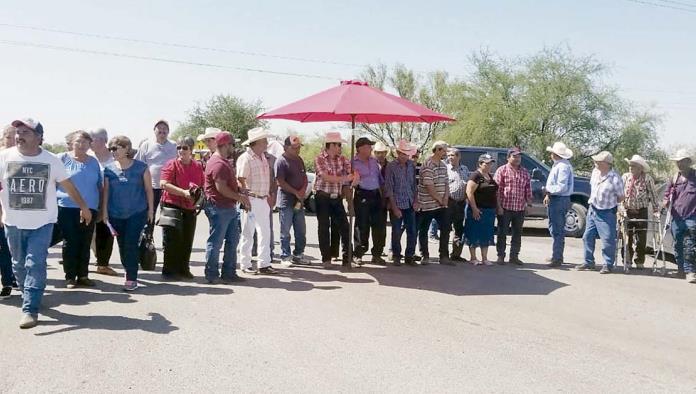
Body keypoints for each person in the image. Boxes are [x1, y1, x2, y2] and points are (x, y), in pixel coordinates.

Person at [0, 118, 92, 329]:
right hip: (13, 222)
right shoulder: (4, 157)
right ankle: (29, 293)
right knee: (19, 264)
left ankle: (30, 309)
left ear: (39, 137)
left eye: (26, 132)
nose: (19, 136)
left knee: (35, 263)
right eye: (18, 132)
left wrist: (84, 208)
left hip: (43, 222)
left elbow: (68, 186)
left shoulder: (51, 160)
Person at [102, 136, 154, 291]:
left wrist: (150, 210)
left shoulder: (141, 167)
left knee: (130, 243)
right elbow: (106, 193)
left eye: (116, 148)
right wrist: (104, 212)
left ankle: (131, 277)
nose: (113, 151)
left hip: (137, 213)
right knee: (122, 245)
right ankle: (128, 269)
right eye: (110, 149)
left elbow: (148, 190)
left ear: (126, 149)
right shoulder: (109, 169)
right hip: (115, 213)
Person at [56, 131, 102, 288]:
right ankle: (70, 277)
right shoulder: (61, 159)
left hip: (91, 209)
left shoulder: (94, 162)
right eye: (78, 142)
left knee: (85, 241)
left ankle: (83, 275)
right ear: (71, 143)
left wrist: (101, 208)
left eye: (85, 142)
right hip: (67, 207)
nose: (82, 145)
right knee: (70, 241)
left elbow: (99, 186)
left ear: (90, 144)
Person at [203, 132, 249, 283]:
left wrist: (239, 190)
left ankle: (229, 272)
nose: (233, 148)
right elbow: (221, 188)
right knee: (216, 242)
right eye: (232, 145)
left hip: (226, 206)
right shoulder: (218, 163)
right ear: (226, 145)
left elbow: (225, 186)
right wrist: (240, 197)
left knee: (232, 240)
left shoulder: (222, 161)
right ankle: (212, 274)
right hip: (219, 207)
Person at [159, 136, 204, 280]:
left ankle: (184, 268)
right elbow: (164, 184)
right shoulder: (171, 164)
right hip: (172, 205)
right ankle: (169, 270)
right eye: (178, 147)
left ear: (191, 150)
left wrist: (198, 197)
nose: (181, 150)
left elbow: (201, 185)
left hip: (190, 207)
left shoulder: (197, 166)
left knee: (187, 239)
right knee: (172, 240)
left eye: (184, 148)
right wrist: (183, 192)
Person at [236, 127, 278, 275]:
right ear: (256, 143)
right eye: (264, 141)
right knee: (248, 232)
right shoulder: (245, 158)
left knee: (265, 232)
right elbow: (241, 180)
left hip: (263, 199)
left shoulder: (263, 157)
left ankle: (264, 263)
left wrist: (270, 195)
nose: (266, 143)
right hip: (252, 199)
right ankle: (245, 263)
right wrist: (245, 198)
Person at [314, 131, 357, 269]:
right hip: (323, 196)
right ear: (331, 145)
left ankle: (347, 258)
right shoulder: (319, 159)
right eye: (338, 144)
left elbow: (353, 174)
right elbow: (325, 177)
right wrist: (346, 178)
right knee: (324, 227)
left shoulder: (343, 159)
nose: (340, 147)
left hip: (336, 197)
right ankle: (326, 258)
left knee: (344, 226)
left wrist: (355, 176)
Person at [577, 151, 625, 274]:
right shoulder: (595, 173)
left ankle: (608, 264)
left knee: (607, 239)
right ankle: (588, 262)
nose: (596, 163)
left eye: (599, 161)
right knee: (587, 236)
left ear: (607, 164)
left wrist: (612, 204)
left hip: (607, 211)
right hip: (593, 208)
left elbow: (621, 196)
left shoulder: (615, 178)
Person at [134, 119, 177, 233]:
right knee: (149, 213)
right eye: (160, 128)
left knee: (168, 216)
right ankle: (147, 239)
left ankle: (167, 242)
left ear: (168, 131)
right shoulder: (146, 145)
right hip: (150, 187)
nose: (162, 131)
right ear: (154, 130)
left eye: (165, 129)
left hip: (168, 186)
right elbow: (138, 165)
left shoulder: (173, 145)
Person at [351, 137, 387, 265]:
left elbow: (380, 180)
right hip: (362, 194)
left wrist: (383, 197)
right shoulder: (353, 163)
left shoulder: (373, 162)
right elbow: (350, 182)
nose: (371, 149)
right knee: (361, 226)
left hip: (376, 194)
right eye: (368, 146)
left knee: (379, 226)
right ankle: (358, 254)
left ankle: (377, 254)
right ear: (360, 148)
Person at [494, 147, 532, 265]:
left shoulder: (525, 172)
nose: (517, 159)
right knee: (502, 233)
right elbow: (497, 190)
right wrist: (498, 206)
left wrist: (528, 204)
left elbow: (528, 189)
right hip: (505, 207)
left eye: (519, 156)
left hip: (520, 208)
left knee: (517, 234)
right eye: (514, 156)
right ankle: (501, 256)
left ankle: (514, 256)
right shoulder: (502, 170)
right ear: (508, 157)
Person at [620, 155, 659, 270]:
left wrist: (656, 209)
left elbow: (653, 195)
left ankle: (639, 260)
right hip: (627, 211)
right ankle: (627, 260)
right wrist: (620, 208)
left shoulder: (647, 179)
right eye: (630, 165)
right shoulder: (625, 177)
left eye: (634, 166)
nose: (631, 168)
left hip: (641, 211)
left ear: (640, 168)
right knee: (626, 237)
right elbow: (620, 194)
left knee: (641, 238)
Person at [417, 140, 452, 265]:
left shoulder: (443, 165)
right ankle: (424, 255)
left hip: (441, 204)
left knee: (446, 228)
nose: (445, 153)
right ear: (437, 150)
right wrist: (440, 199)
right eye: (444, 150)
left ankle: (444, 256)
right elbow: (429, 186)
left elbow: (446, 183)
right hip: (427, 204)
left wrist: (446, 197)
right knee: (424, 229)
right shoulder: (428, 164)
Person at [88, 128, 118, 276]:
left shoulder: (115, 158)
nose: (89, 142)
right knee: (87, 233)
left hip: (111, 201)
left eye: (92, 139)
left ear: (103, 140)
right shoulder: (88, 157)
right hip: (91, 200)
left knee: (105, 231)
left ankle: (103, 264)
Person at [663, 149, 696, 282]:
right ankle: (681, 270)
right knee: (678, 244)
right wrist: (665, 201)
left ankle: (690, 272)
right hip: (676, 217)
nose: (679, 164)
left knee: (690, 244)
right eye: (678, 162)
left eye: (682, 161)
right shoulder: (674, 178)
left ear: (688, 162)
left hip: (692, 217)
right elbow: (666, 195)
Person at [384, 140, 418, 266]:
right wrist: (394, 207)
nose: (405, 156)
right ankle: (396, 255)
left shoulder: (411, 165)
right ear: (398, 153)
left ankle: (409, 255)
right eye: (403, 153)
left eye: (407, 154)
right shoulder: (391, 166)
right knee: (397, 231)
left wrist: (415, 200)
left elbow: (414, 185)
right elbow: (389, 188)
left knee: (412, 230)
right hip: (397, 202)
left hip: (410, 202)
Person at [275, 135, 308, 264]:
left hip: (299, 201)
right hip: (286, 200)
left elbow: (304, 177)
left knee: (301, 231)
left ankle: (298, 254)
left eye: (299, 147)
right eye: (295, 147)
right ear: (286, 147)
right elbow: (280, 182)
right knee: (285, 231)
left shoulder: (299, 160)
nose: (298, 150)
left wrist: (302, 190)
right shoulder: (281, 161)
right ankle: (285, 256)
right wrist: (295, 191)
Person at [544, 142, 575, 267]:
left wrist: (548, 190)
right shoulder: (560, 165)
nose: (551, 155)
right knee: (555, 227)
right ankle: (556, 255)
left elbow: (561, 186)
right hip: (557, 198)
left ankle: (557, 257)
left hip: (559, 199)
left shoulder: (562, 167)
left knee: (557, 229)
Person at [464, 154, 499, 265]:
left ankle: (485, 258)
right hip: (478, 209)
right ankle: (473, 257)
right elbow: (469, 192)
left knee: (486, 234)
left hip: (489, 210)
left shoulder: (489, 176)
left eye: (490, 163)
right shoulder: (475, 176)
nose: (489, 165)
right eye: (487, 163)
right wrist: (474, 208)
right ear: (480, 164)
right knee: (474, 232)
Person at [0, 124, 17, 299]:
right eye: (9, 136)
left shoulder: (23, 158)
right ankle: (7, 280)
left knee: (8, 249)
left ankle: (8, 280)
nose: (13, 140)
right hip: (2, 211)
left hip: (15, 211)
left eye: (16, 136)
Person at [446, 148, 470, 262]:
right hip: (449, 202)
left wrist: (466, 198)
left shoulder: (465, 169)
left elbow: (468, 184)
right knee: (446, 229)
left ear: (459, 157)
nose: (450, 157)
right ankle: (444, 255)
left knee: (459, 230)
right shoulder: (445, 169)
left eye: (453, 155)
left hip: (461, 203)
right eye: (449, 155)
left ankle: (456, 254)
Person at [373, 141, 390, 257]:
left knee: (381, 228)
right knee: (367, 226)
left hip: (384, 199)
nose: (380, 155)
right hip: (372, 197)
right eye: (378, 153)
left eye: (382, 152)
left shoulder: (390, 166)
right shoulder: (371, 164)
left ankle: (378, 251)